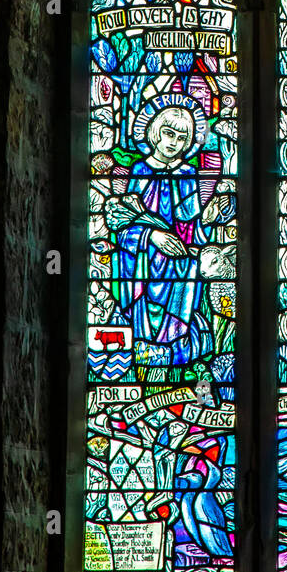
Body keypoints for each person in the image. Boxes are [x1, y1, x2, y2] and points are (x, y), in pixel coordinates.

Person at [115, 95, 221, 375]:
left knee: (187, 274)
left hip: (178, 259)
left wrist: (196, 246)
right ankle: (142, 352)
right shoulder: (140, 170)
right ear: (154, 132)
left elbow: (190, 223)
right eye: (168, 133)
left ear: (188, 143)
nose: (173, 141)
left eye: (181, 136)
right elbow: (125, 224)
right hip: (142, 258)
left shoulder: (188, 172)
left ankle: (174, 356)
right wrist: (152, 236)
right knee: (142, 305)